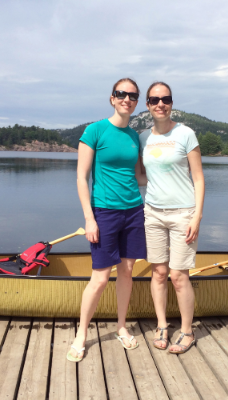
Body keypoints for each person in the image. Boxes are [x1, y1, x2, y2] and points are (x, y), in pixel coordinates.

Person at [67, 78, 147, 362]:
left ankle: (121, 327)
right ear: (112, 98)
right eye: (121, 94)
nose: (127, 99)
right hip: (104, 212)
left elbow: (139, 177)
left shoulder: (135, 136)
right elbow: (81, 177)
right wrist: (89, 218)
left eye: (133, 95)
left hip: (134, 211)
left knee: (127, 271)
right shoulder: (95, 130)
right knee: (100, 278)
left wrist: (172, 177)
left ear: (136, 102)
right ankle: (81, 334)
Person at [138, 82, 205, 354]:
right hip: (152, 212)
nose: (160, 104)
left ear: (172, 102)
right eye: (154, 100)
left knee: (178, 275)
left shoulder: (186, 134)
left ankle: (187, 331)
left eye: (165, 99)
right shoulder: (143, 137)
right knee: (159, 273)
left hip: (183, 213)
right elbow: (141, 176)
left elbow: (198, 179)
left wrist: (196, 217)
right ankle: (163, 325)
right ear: (148, 105)